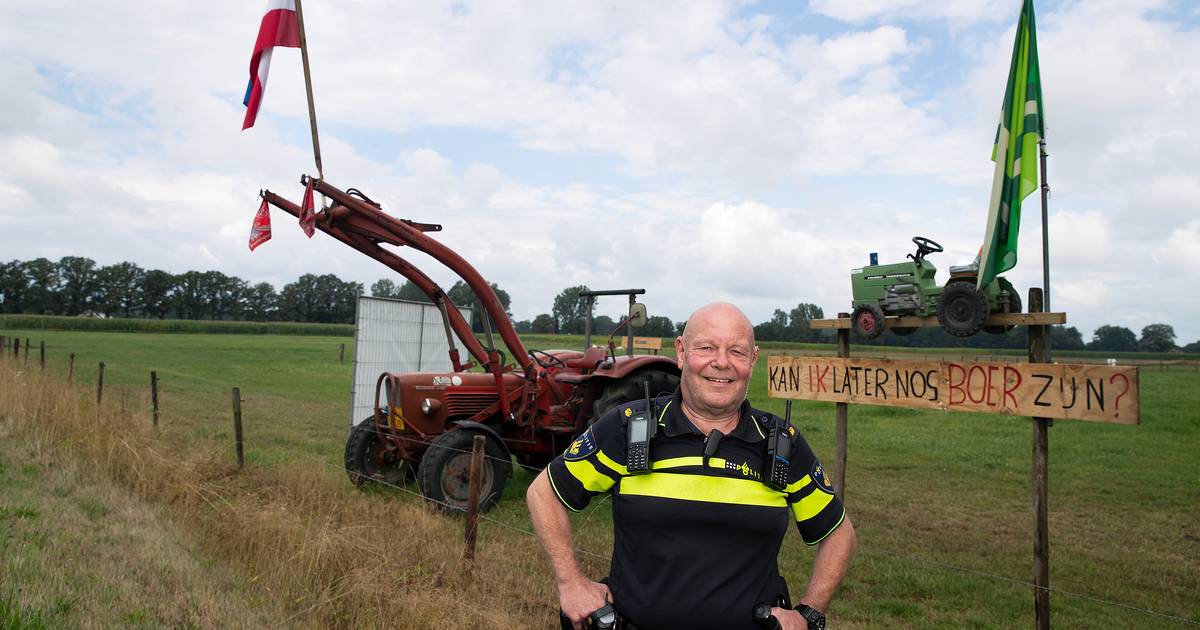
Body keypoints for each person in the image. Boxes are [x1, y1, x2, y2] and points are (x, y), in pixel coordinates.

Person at [527, 302, 856, 630]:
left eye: (737, 352)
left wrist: (809, 613)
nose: (722, 363)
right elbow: (545, 493)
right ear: (682, 353)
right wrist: (571, 583)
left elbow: (839, 533)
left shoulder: (780, 444)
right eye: (707, 348)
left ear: (753, 360)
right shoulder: (628, 429)